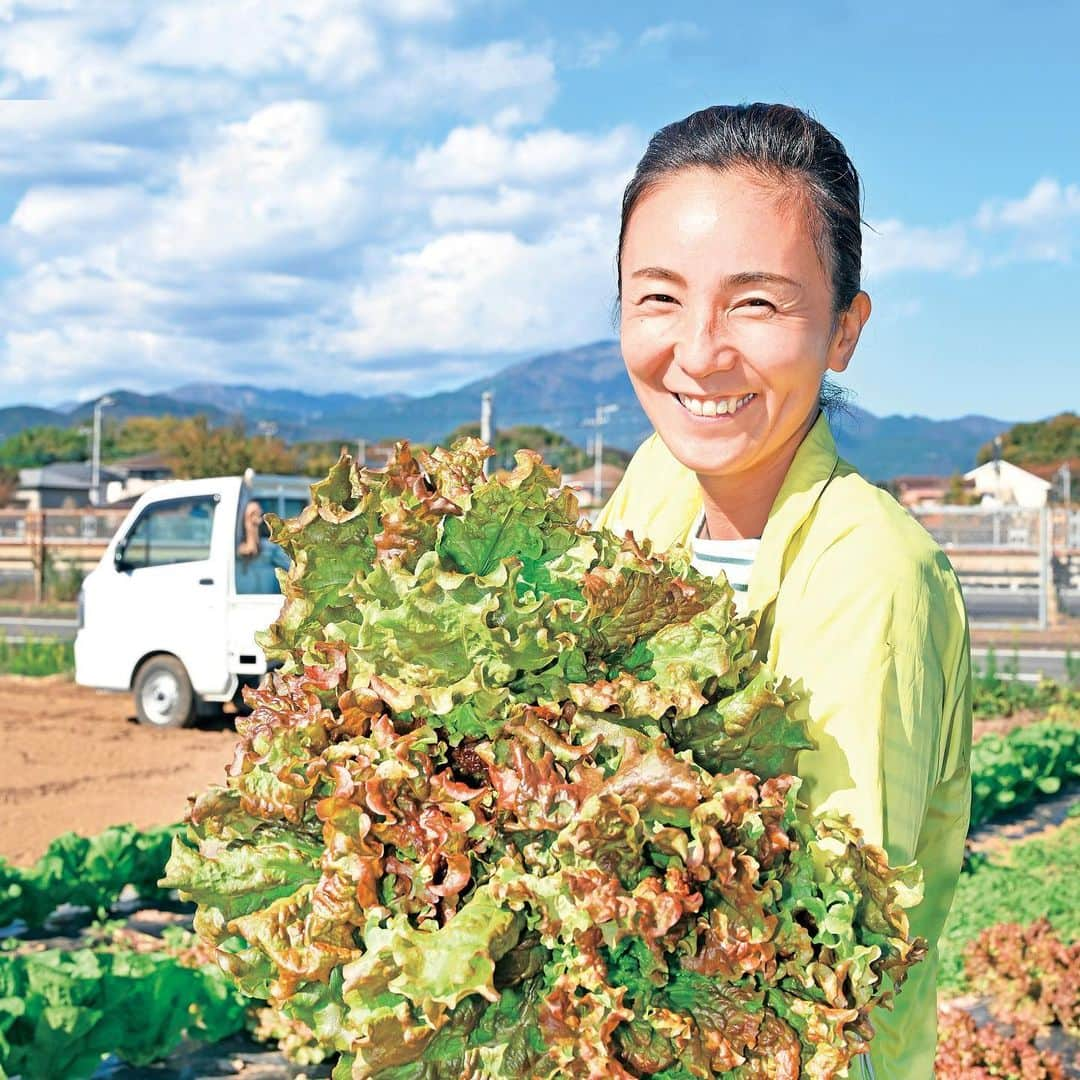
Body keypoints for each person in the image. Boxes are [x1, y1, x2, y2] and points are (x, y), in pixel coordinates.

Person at [595, 104, 971, 1080]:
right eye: (659, 298)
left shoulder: (873, 574)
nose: (701, 351)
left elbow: (825, 939)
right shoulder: (655, 485)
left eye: (756, 303)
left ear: (845, 329)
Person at [235, 499, 289, 594]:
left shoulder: (269, 547)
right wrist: (250, 524)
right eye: (254, 514)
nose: (259, 517)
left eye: (259, 513)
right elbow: (251, 549)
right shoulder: (238, 546)